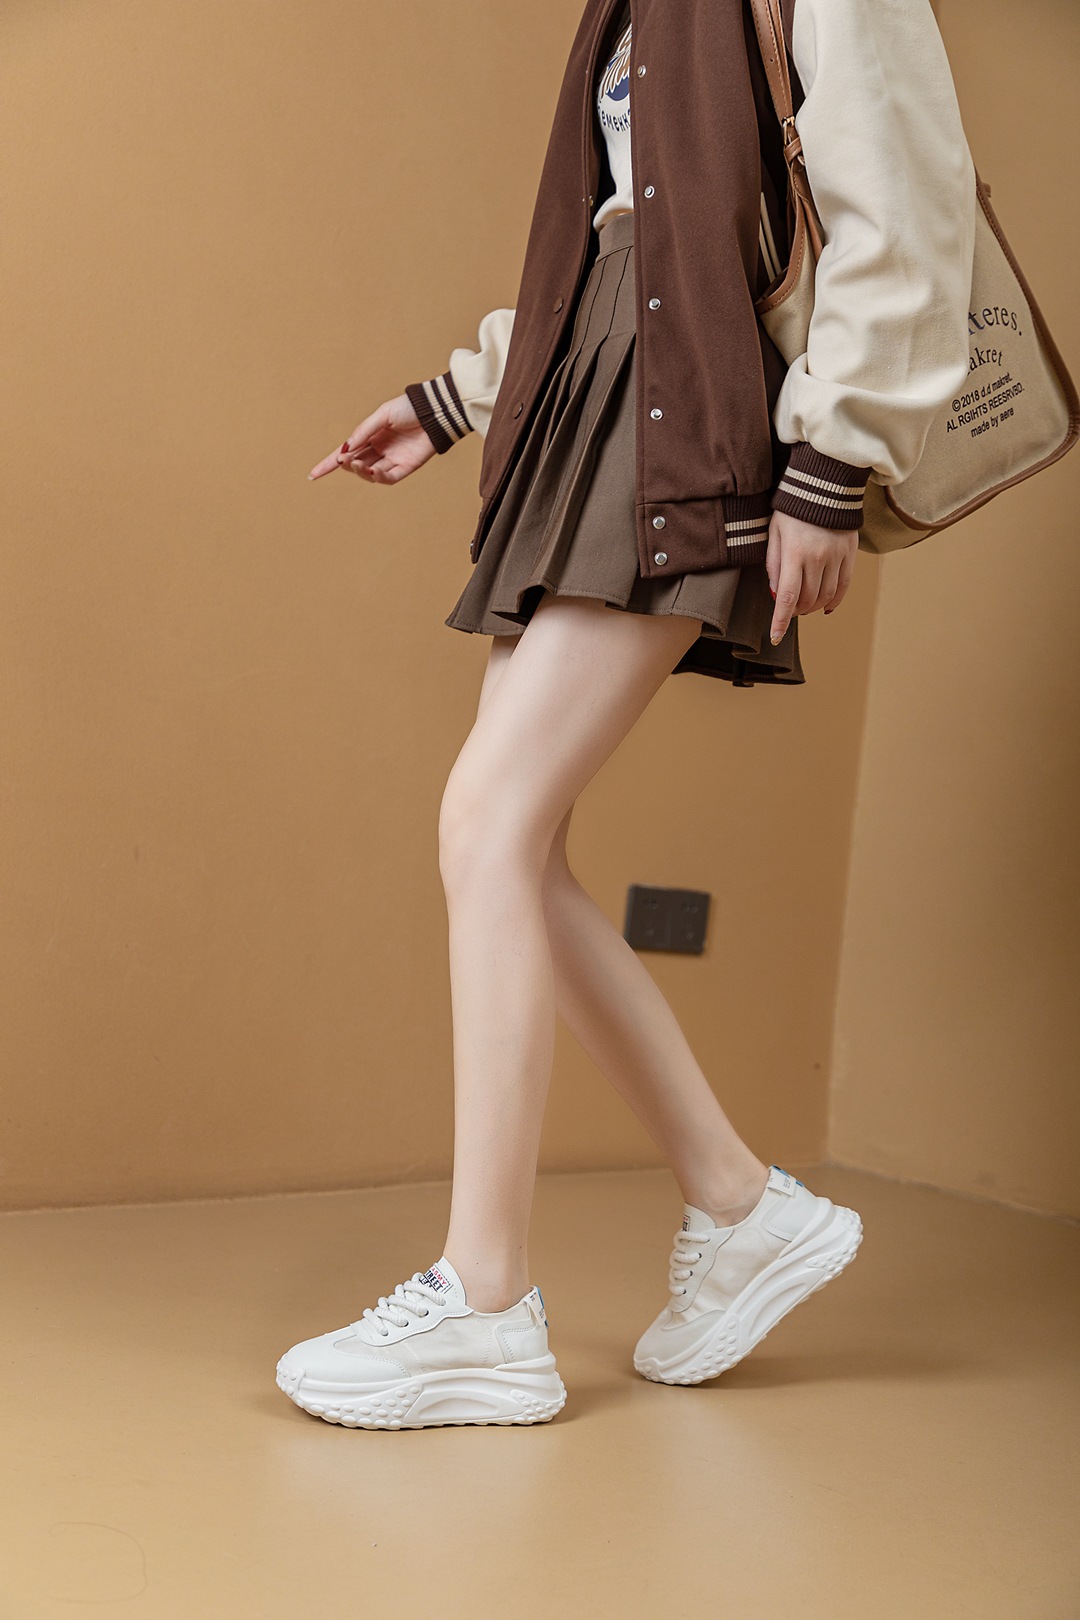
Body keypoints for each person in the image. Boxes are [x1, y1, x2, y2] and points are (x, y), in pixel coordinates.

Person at [275, 0, 976, 1428]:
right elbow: (623, 225)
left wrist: (834, 461)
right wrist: (457, 397)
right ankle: (738, 1203)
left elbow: (902, 203)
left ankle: (484, 1304)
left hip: (687, 403)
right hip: (599, 393)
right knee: (514, 848)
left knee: (488, 825)